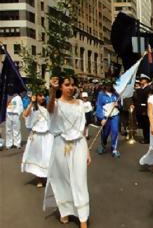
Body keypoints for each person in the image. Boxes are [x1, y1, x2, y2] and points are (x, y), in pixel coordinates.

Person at [44, 75, 91, 228]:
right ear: (61, 87)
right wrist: (52, 90)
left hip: (78, 145)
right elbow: (50, 109)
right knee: (62, 179)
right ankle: (65, 210)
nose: (70, 87)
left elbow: (82, 128)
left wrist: (87, 151)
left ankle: (83, 217)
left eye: (72, 84)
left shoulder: (79, 104)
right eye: (67, 84)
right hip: (60, 145)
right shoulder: (56, 103)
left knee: (79, 180)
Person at [21, 91, 53, 188]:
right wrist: (32, 102)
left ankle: (47, 176)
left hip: (47, 136)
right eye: (40, 95)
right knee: (37, 157)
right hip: (36, 136)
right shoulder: (33, 107)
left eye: (43, 95)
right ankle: (39, 178)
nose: (42, 97)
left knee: (47, 157)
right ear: (36, 96)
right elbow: (25, 115)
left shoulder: (47, 107)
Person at [95, 79, 121, 158]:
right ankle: (103, 144)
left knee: (115, 131)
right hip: (106, 117)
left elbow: (120, 106)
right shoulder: (101, 94)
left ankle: (114, 149)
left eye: (110, 85)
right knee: (105, 133)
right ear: (104, 85)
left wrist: (118, 105)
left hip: (115, 116)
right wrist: (102, 118)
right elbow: (98, 106)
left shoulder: (115, 94)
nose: (109, 86)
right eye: (107, 85)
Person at [133, 74, 151, 144]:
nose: (140, 81)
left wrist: (144, 110)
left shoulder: (149, 89)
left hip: (145, 109)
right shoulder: (141, 89)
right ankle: (146, 138)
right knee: (144, 125)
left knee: (147, 125)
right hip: (140, 109)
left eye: (142, 80)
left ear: (146, 80)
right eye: (140, 80)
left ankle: (147, 139)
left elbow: (148, 101)